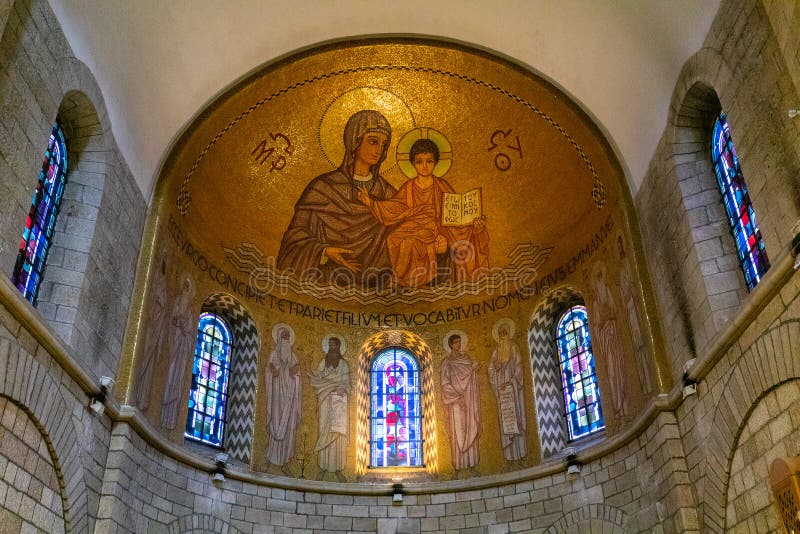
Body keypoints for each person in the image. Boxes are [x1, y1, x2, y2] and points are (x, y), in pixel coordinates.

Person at [277, 110, 396, 286]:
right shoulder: (323, 188)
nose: (379, 150)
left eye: (383, 144)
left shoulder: (387, 193)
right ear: (355, 141)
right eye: (373, 141)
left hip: (378, 284)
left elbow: (409, 231)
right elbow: (295, 237)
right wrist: (324, 251)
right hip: (328, 281)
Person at [358, 138, 489, 287]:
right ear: (413, 164)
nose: (425, 166)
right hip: (412, 225)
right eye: (420, 162)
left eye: (429, 161)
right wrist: (371, 203)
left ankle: (402, 281)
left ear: (435, 162)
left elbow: (456, 214)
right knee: (393, 238)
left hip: (432, 227)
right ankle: (401, 279)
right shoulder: (408, 186)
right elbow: (395, 207)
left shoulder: (441, 185)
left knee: (409, 243)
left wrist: (474, 224)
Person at [589, 261, 630, 422]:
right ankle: (618, 409)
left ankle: (625, 407)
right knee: (612, 372)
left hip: (614, 335)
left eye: (600, 276)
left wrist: (609, 316)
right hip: (606, 338)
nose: (599, 280)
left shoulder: (607, 291)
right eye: (596, 277)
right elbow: (596, 324)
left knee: (619, 369)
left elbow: (615, 309)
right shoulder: (595, 303)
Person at [308, 335, 351, 482]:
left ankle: (339, 469)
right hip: (325, 399)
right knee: (324, 429)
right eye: (330, 345)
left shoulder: (344, 365)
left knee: (337, 432)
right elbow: (317, 376)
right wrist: (308, 367)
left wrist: (342, 389)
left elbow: (347, 383)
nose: (332, 347)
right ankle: (323, 467)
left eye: (334, 345)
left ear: (338, 347)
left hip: (339, 401)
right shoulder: (323, 362)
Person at [488, 318, 527, 467]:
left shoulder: (514, 348)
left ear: (509, 333)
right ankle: (510, 459)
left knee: (516, 417)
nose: (503, 334)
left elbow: (518, 366)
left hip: (513, 388)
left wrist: (511, 381)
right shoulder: (496, 351)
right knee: (505, 422)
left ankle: (522, 456)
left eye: (505, 332)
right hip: (502, 391)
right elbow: (491, 369)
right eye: (500, 333)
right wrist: (495, 369)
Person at [441, 333, 480, 475]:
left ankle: (472, 465)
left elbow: (471, 380)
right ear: (451, 344)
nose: (458, 344)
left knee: (470, 427)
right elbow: (444, 383)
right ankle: (457, 467)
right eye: (456, 342)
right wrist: (457, 396)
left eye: (459, 342)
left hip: (468, 400)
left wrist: (473, 370)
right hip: (455, 403)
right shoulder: (447, 362)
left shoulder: (467, 359)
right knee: (457, 432)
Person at [160, 275, 196, 430]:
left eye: (188, 288)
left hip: (182, 348)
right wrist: (176, 325)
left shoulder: (188, 311)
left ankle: (171, 420)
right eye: (185, 287)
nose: (186, 291)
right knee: (170, 374)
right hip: (174, 345)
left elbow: (189, 333)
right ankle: (162, 417)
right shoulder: (176, 303)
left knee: (177, 377)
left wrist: (184, 330)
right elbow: (170, 319)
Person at [265, 325, 302, 473]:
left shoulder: (294, 357)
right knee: (275, 422)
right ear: (279, 339)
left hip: (290, 399)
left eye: (288, 338)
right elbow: (268, 371)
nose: (286, 340)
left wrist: (295, 375)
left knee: (288, 428)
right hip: (276, 398)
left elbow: (298, 376)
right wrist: (272, 373)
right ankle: (269, 459)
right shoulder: (273, 354)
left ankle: (286, 463)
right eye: (284, 337)